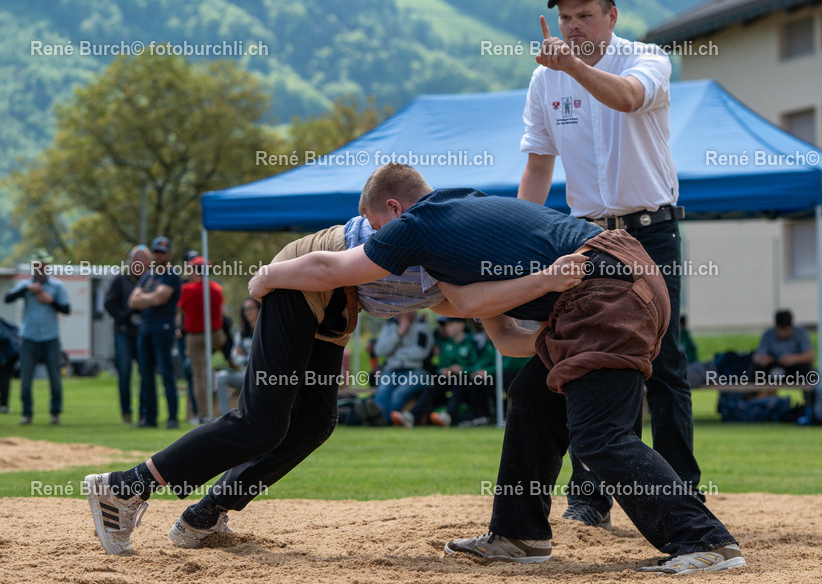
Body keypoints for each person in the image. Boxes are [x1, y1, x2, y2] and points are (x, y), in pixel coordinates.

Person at [246, 164, 743, 574]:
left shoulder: (417, 225)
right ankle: (519, 535)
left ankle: (704, 541)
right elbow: (504, 337)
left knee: (600, 438)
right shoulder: (462, 215)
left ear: (395, 210)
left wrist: (266, 276)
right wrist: (556, 340)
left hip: (604, 288)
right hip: (614, 281)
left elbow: (331, 269)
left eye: (377, 229)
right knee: (532, 397)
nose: (379, 242)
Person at [85, 213, 581, 556]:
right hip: (302, 283)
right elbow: (323, 266)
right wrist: (264, 278)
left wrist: (558, 333)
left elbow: (502, 334)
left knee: (314, 423)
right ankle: (125, 488)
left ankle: (204, 514)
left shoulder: (460, 264)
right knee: (260, 423)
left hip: (338, 307)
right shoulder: (424, 239)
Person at [518, 0, 699, 527]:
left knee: (663, 362)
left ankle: (681, 494)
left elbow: (625, 98)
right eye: (566, 18)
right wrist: (522, 235)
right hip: (589, 236)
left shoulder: (648, 59)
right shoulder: (544, 80)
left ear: (612, 16)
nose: (574, 27)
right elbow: (537, 165)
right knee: (584, 358)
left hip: (649, 230)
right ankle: (588, 500)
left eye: (585, 15)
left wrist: (571, 65)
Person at [4, 249, 70, 425]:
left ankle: (55, 413)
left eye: (43, 265)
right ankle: (27, 413)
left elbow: (66, 309)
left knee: (55, 379)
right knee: (25, 379)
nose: (40, 268)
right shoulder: (26, 285)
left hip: (50, 337)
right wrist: (26, 289)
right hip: (29, 337)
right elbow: (7, 298)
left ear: (47, 266)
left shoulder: (57, 286)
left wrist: (51, 301)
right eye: (37, 265)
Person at [130, 236, 183, 429]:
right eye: (156, 251)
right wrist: (150, 298)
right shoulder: (148, 275)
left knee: (167, 374)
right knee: (145, 375)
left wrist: (145, 297)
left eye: (162, 251)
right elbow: (132, 301)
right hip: (145, 329)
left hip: (163, 329)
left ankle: (172, 417)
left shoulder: (172, 274)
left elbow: (160, 298)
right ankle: (149, 418)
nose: (158, 255)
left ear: (169, 254)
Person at [104, 245, 151, 424]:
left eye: (145, 259)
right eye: (138, 259)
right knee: (124, 374)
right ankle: (126, 413)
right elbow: (109, 303)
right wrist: (123, 316)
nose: (141, 262)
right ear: (132, 261)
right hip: (123, 333)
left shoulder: (151, 279)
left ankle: (143, 412)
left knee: (145, 374)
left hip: (143, 333)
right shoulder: (121, 279)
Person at [177, 256, 227, 423]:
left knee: (199, 376)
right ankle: (227, 365)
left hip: (196, 337)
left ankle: (204, 414)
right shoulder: (216, 288)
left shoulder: (187, 289)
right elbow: (221, 310)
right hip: (216, 336)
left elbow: (181, 311)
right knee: (209, 368)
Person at [371, 310, 434, 419]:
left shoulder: (422, 326)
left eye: (403, 309)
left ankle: (384, 420)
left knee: (399, 394)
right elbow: (379, 350)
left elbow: (421, 353)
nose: (399, 312)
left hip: (416, 370)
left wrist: (394, 352)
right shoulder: (390, 325)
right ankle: (379, 420)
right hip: (392, 369)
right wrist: (399, 332)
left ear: (413, 310)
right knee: (382, 392)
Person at [216, 298, 260, 416]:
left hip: (263, 375)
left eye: (250, 308)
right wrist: (249, 358)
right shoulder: (241, 333)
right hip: (245, 374)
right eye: (245, 309)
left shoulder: (266, 331)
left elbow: (264, 357)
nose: (247, 312)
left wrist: (246, 356)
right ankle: (225, 417)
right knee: (221, 376)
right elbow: (234, 357)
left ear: (258, 309)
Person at [753, 309, 815, 380]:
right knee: (757, 369)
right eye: (780, 330)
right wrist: (762, 359)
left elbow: (810, 355)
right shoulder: (768, 334)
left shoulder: (801, 333)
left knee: (805, 369)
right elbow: (757, 356)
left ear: (791, 327)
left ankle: (808, 390)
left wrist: (794, 358)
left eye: (785, 330)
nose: (783, 333)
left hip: (794, 368)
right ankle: (753, 390)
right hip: (773, 367)